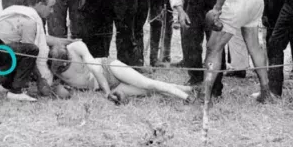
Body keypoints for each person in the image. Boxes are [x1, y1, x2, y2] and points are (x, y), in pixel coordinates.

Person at [48, 41, 194, 103]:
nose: (66, 65)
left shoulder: (76, 47)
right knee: (148, 91)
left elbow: (95, 68)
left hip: (108, 68)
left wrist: (106, 92)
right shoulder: (54, 69)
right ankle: (188, 89)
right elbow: (54, 86)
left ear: (66, 52)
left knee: (147, 83)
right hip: (111, 87)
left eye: (67, 61)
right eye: (62, 66)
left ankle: (185, 97)